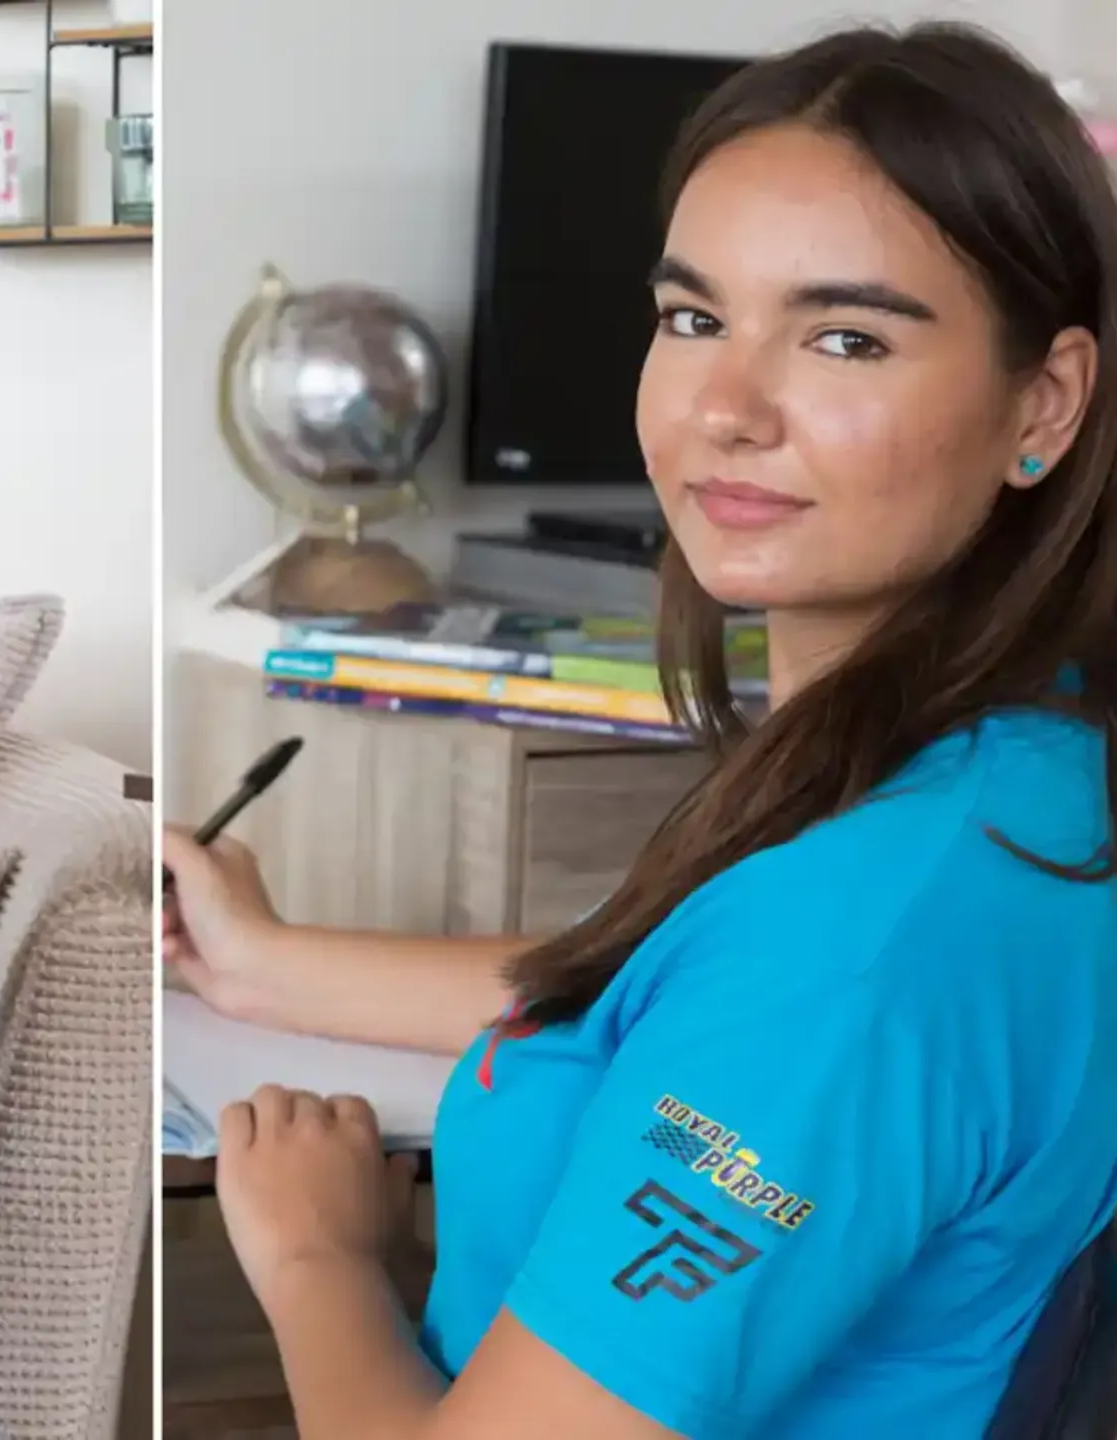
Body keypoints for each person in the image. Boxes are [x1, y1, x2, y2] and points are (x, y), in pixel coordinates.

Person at [163, 21, 1117, 1439]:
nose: (722, 409)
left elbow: (802, 1011)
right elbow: (673, 1000)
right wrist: (266, 966)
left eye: (845, 338)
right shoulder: (1013, 764)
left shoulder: (867, 938)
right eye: (692, 318)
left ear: (1040, 404)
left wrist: (318, 1257)